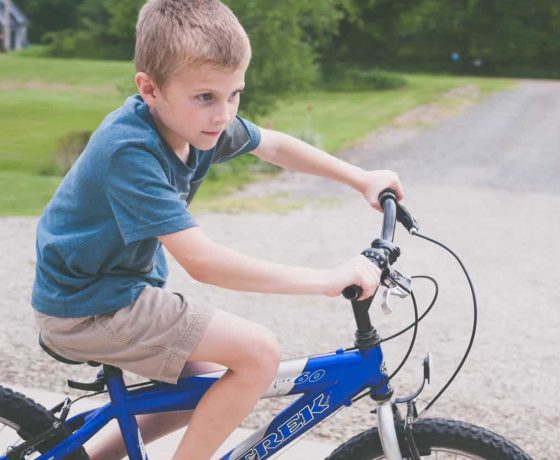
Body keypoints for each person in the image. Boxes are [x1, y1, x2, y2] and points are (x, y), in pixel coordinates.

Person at [30, 0, 404, 458]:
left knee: (203, 386)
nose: (223, 114)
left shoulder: (194, 124)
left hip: (116, 291)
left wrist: (360, 178)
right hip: (88, 306)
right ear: (149, 89)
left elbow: (277, 146)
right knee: (259, 354)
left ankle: (85, 457)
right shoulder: (129, 153)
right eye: (206, 96)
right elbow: (204, 262)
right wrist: (326, 279)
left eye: (235, 94)